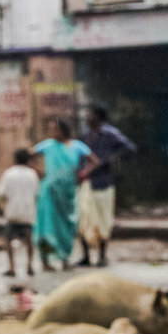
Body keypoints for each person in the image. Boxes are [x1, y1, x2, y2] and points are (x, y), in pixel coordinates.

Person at [76, 104, 135, 268]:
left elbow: (129, 148)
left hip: (103, 182)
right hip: (86, 183)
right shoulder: (84, 135)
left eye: (90, 114)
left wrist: (112, 158)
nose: (87, 118)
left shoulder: (111, 134)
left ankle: (102, 256)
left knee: (103, 219)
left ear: (98, 116)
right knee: (84, 219)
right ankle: (86, 256)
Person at [31, 117, 89, 272]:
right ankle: (45, 261)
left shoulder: (76, 146)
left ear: (64, 130)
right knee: (46, 226)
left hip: (68, 192)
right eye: (51, 129)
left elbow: (93, 160)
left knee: (67, 227)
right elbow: (28, 155)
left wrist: (83, 173)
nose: (52, 132)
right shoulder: (48, 145)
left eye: (55, 129)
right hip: (49, 192)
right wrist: (39, 172)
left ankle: (64, 258)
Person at [0, 147, 40, 278]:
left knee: (8, 240)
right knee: (29, 240)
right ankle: (29, 266)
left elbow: (0, 193)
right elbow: (37, 193)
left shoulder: (9, 174)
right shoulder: (32, 174)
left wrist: (3, 207)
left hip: (12, 212)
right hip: (27, 213)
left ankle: (11, 267)